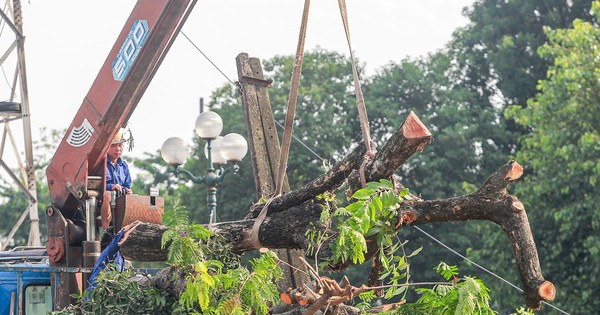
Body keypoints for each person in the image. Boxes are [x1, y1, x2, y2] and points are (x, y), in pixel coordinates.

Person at [100, 131, 133, 231]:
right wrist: (111, 187)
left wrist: (128, 190)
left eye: (120, 145)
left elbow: (127, 184)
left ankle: (127, 230)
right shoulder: (101, 163)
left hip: (120, 194)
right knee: (107, 195)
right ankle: (107, 231)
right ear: (107, 147)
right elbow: (96, 183)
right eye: (114, 146)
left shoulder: (124, 165)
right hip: (103, 195)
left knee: (132, 197)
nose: (118, 149)